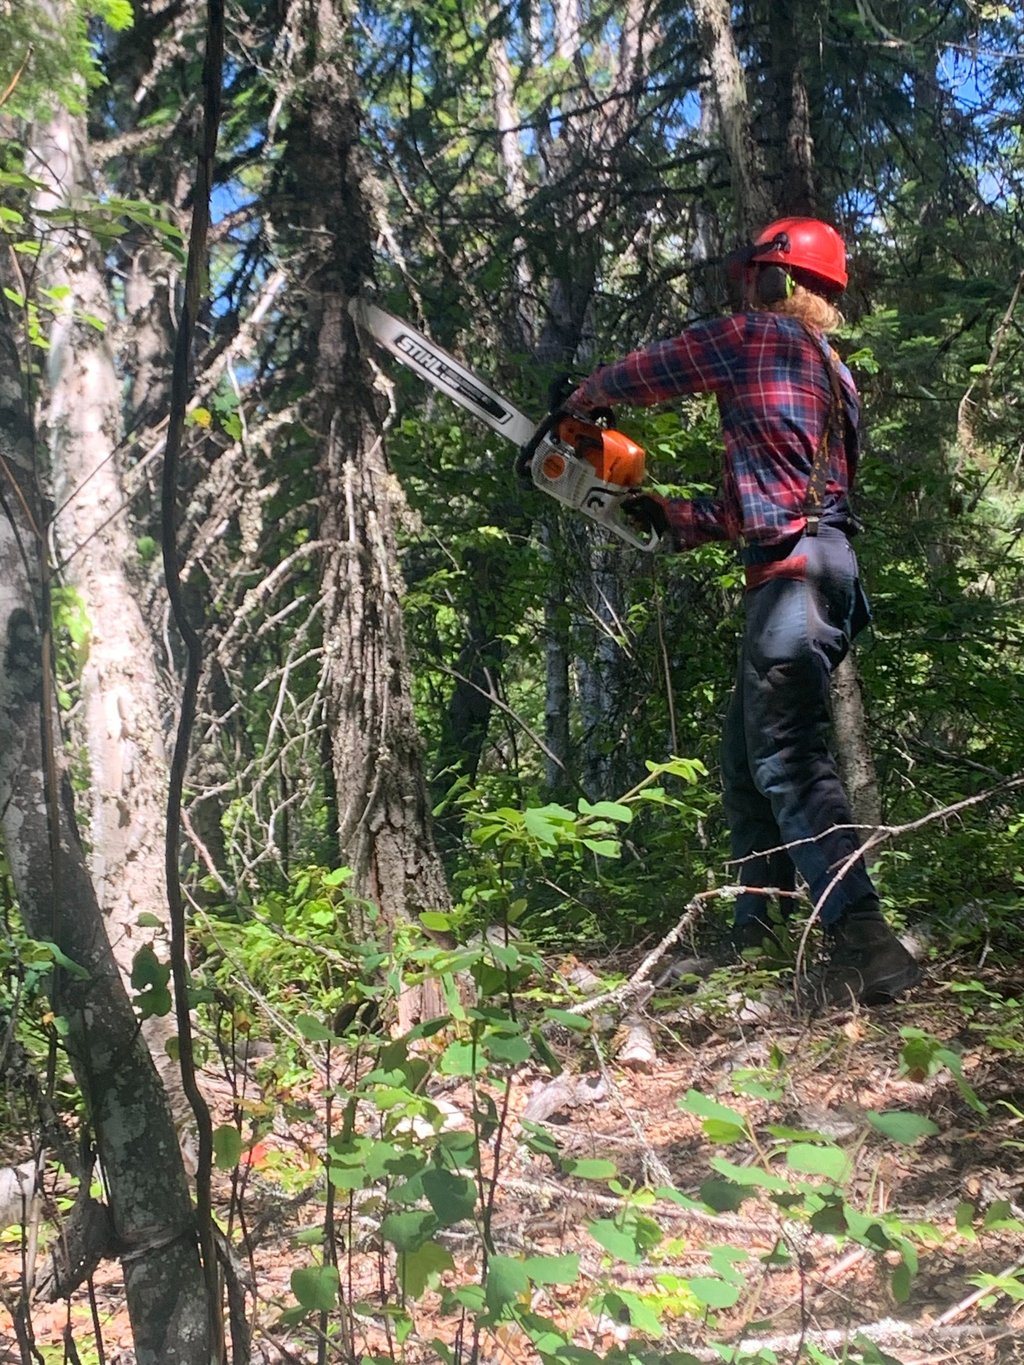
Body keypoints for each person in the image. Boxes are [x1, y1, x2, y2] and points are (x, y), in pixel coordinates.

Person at [566, 217, 922, 1006]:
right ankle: (756, 933)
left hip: (793, 578)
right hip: (819, 571)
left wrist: (586, 397)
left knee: (788, 759)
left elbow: (664, 365)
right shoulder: (834, 375)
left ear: (775, 280)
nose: (748, 291)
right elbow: (747, 508)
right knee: (745, 761)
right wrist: (667, 517)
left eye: (756, 278)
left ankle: (869, 941)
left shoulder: (756, 338)